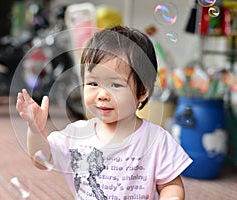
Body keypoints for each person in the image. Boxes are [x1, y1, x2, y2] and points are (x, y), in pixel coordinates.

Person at [16, 25, 192, 200]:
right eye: (93, 83)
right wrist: (35, 130)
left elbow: (171, 185)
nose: (102, 95)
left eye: (115, 85)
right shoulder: (77, 135)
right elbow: (42, 159)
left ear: (142, 91)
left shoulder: (157, 140)